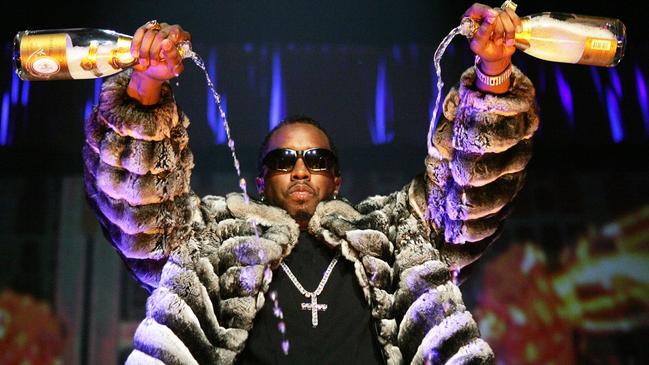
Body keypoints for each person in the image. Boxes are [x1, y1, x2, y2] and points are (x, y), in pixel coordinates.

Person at [83, 2, 538, 364]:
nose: (300, 170)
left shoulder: (395, 235)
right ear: (260, 180)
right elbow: (139, 205)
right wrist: (144, 85)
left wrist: (493, 76)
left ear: (336, 179)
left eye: (316, 159)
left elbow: (467, 195)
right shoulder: (208, 243)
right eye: (284, 160)